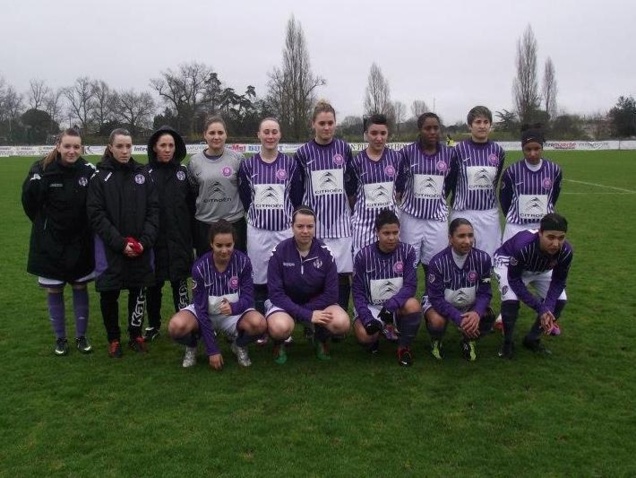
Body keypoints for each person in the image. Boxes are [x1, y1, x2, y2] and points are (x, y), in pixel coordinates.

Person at [21, 129, 95, 355]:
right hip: (51, 242)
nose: (72, 151)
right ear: (58, 146)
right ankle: (60, 339)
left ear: (81, 148)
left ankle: (81, 336)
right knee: (54, 290)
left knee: (80, 286)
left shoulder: (89, 170)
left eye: (76, 147)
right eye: (67, 146)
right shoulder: (41, 170)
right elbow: (29, 203)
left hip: (80, 241)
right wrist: (46, 226)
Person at [87, 128, 159, 357]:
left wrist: (143, 242)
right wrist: (120, 243)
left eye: (128, 146)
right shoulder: (99, 178)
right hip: (111, 250)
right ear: (110, 148)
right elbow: (96, 215)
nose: (125, 151)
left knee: (138, 291)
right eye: (120, 146)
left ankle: (135, 334)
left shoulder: (143, 175)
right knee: (109, 293)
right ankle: (114, 339)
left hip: (140, 248)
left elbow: (153, 211)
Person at [167, 220, 267, 369]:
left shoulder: (244, 262)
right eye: (219, 245)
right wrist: (212, 350)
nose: (224, 250)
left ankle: (238, 345)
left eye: (229, 245)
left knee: (259, 324)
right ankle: (192, 346)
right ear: (211, 244)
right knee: (176, 327)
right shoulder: (200, 267)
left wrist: (234, 307)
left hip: (234, 314)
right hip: (205, 314)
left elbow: (248, 298)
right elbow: (200, 309)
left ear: (234, 243)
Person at [266, 206, 350, 364]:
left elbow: (332, 294)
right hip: (285, 305)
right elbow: (275, 294)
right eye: (300, 226)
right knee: (279, 328)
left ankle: (320, 338)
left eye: (310, 226)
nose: (305, 231)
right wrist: (304, 314)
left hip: (316, 304)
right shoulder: (279, 252)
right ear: (292, 227)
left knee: (342, 323)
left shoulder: (326, 253)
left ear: (315, 227)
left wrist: (308, 310)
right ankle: (279, 343)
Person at [238, 117, 302, 314]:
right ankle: (261, 322)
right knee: (258, 278)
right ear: (258, 135)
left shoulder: (290, 164)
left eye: (274, 131)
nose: (270, 136)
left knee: (285, 277)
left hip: (283, 231)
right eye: (266, 132)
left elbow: (296, 196)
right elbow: (246, 197)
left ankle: (284, 320)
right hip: (258, 231)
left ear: (280, 134)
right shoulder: (248, 165)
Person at [295, 100, 355, 310]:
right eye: (322, 123)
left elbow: (350, 185)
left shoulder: (344, 149)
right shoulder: (303, 153)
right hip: (314, 225)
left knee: (341, 273)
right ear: (313, 124)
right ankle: (314, 319)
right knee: (314, 274)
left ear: (335, 123)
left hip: (341, 224)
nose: (327, 127)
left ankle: (339, 313)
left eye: (330, 122)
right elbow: (298, 189)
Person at [494, 213, 573, 359]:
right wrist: (540, 308)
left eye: (561, 238)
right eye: (551, 237)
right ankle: (507, 343)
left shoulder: (566, 251)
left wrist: (547, 307)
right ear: (540, 233)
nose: (556, 243)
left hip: (539, 268)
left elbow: (559, 281)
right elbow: (515, 280)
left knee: (560, 300)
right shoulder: (523, 247)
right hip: (508, 263)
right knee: (511, 300)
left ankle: (532, 339)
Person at [142, 126, 194, 342]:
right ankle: (153, 325)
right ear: (154, 147)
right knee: (153, 286)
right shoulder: (145, 174)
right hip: (154, 241)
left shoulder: (183, 173)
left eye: (171, 145)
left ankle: (185, 323)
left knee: (179, 283)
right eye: (163, 145)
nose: (167, 149)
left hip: (179, 240)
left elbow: (191, 207)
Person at [352, 209, 421, 366]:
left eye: (395, 232)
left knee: (413, 305)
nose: (391, 238)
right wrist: (367, 318)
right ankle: (377, 333)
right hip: (372, 306)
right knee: (365, 337)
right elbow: (357, 293)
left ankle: (404, 348)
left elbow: (410, 285)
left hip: (396, 305)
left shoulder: (408, 251)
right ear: (377, 232)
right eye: (386, 233)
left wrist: (391, 305)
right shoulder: (363, 256)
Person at [422, 218, 494, 361]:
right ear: (450, 238)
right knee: (437, 321)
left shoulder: (483, 259)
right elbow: (436, 298)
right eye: (461, 236)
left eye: (470, 235)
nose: (467, 241)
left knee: (487, 315)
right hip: (440, 302)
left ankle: (468, 341)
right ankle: (436, 340)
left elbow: (485, 292)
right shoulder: (437, 262)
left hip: (468, 303)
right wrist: (459, 319)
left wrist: (476, 313)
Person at [395, 112, 456, 273]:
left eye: (436, 128)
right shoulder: (406, 153)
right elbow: (399, 181)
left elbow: (449, 183)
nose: (432, 132)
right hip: (410, 217)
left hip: (436, 219)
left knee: (435, 265)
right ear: (420, 129)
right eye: (427, 128)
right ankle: (408, 297)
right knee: (408, 263)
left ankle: (431, 298)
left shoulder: (449, 154)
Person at [449, 106, 505, 259]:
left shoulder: (498, 151)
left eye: (486, 122)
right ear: (470, 125)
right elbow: (451, 180)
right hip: (463, 212)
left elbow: (496, 179)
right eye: (478, 122)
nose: (482, 126)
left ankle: (484, 283)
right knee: (461, 257)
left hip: (488, 213)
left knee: (488, 258)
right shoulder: (457, 151)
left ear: (490, 125)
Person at [187, 116, 246, 257]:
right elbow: (193, 192)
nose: (216, 137)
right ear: (205, 135)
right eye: (212, 133)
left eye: (220, 133)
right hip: (205, 224)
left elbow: (244, 190)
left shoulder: (238, 159)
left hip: (234, 223)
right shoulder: (194, 162)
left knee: (236, 269)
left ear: (226, 134)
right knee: (206, 270)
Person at [349, 114, 401, 257]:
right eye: (374, 133)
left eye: (383, 133)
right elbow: (351, 196)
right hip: (364, 227)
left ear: (387, 134)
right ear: (366, 135)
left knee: (389, 273)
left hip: (390, 228)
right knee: (362, 271)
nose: (379, 138)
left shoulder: (397, 158)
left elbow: (399, 192)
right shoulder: (356, 162)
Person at [499, 125, 563, 243]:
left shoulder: (554, 170)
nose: (532, 153)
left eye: (536, 149)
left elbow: (553, 197)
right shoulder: (511, 171)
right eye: (528, 149)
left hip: (543, 228)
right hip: (516, 228)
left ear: (542, 148)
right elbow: (504, 200)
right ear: (523, 149)